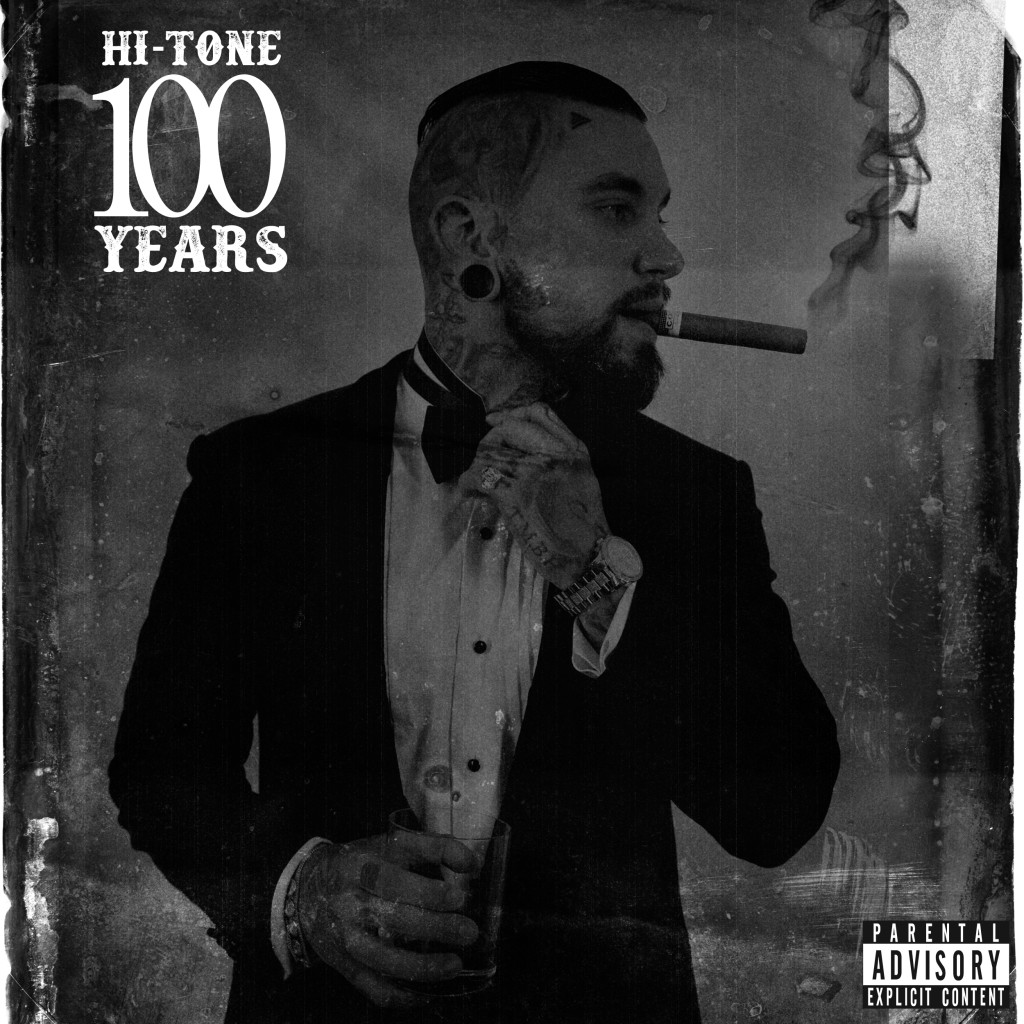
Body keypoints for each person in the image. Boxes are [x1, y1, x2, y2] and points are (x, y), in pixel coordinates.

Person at [109, 61, 840, 1024]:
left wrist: (594, 572)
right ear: (471, 238)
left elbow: (775, 815)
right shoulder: (261, 473)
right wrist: (303, 890)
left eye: (658, 214)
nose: (665, 257)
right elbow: (160, 770)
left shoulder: (695, 491)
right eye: (616, 210)